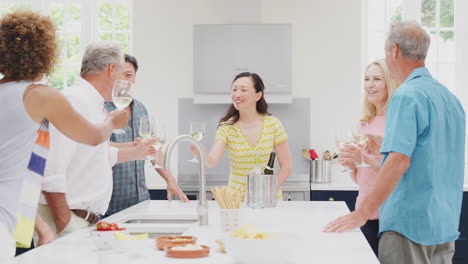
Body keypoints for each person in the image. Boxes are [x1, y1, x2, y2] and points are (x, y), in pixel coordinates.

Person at [324, 21, 465, 264]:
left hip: (407, 226)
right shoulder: (450, 100)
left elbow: (399, 161)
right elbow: (434, 157)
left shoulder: (406, 96)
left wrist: (363, 213)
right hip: (444, 225)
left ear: (395, 51)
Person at [0, 10, 127, 260]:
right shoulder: (40, 95)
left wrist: (41, 228)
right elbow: (92, 136)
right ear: (44, 52)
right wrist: (112, 120)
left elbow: (11, 173)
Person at [38, 41, 155, 237]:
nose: (123, 82)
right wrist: (64, 221)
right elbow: (51, 168)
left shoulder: (92, 104)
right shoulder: (74, 101)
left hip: (81, 220)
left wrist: (135, 152)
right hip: (66, 220)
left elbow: (91, 156)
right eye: (121, 74)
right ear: (111, 70)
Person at [104, 54, 188, 216]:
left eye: (129, 75)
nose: (125, 80)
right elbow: (98, 148)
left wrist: (170, 180)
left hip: (140, 202)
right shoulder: (102, 108)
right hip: (110, 206)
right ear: (112, 76)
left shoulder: (140, 108)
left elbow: (154, 148)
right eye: (120, 75)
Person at [194, 72, 292, 199]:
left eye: (243, 90)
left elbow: (286, 167)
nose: (237, 94)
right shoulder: (227, 127)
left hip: (268, 200)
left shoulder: (273, 124)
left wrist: (265, 192)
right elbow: (211, 162)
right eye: (234, 89)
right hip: (236, 201)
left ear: (258, 95)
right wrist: (202, 154)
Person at [337, 59, 400, 256]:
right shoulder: (363, 123)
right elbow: (361, 180)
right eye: (366, 79)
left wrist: (364, 157)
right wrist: (352, 165)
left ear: (389, 83)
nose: (369, 84)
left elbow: (399, 174)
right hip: (363, 211)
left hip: (391, 215)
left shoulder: (397, 122)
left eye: (377, 79)